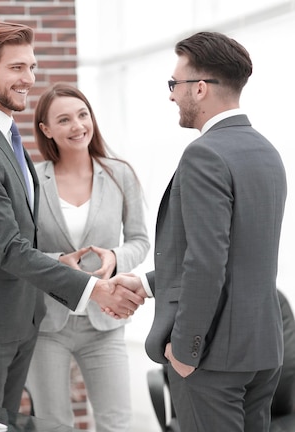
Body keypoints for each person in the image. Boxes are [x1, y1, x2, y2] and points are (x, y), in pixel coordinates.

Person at [0, 21, 144, 414]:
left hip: (19, 320)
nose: (29, 79)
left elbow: (22, 239)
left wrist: (60, 263)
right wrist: (95, 289)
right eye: (16, 68)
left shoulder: (6, 138)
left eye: (31, 67)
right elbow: (9, 249)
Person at [110, 32, 287, 432]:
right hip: (262, 350)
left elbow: (208, 262)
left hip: (212, 356)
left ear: (200, 88)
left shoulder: (204, 153)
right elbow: (240, 253)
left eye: (175, 84)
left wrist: (186, 350)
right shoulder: (267, 151)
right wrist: (147, 283)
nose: (171, 95)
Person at [24, 83, 149, 431]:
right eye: (64, 119)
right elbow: (23, 251)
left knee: (116, 423)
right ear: (46, 129)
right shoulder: (33, 181)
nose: (78, 125)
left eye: (83, 115)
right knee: (53, 424)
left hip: (104, 323)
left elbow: (140, 240)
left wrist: (114, 255)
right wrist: (57, 262)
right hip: (49, 323)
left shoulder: (119, 173)